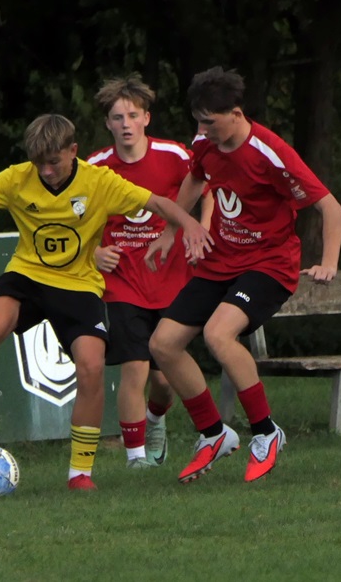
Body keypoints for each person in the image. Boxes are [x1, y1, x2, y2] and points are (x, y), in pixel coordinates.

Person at [0, 113, 212, 490]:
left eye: (54, 162)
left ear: (73, 151)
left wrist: (190, 225)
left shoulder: (99, 181)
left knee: (91, 366)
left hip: (78, 284)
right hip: (28, 276)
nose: (46, 171)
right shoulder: (17, 179)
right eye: (39, 163)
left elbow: (158, 203)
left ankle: (79, 473)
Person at [145, 66, 341, 483]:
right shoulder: (206, 143)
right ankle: (214, 433)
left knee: (218, 335)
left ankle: (267, 432)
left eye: (210, 122)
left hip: (269, 264)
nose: (202, 131)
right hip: (221, 261)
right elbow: (195, 179)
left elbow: (329, 206)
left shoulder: (270, 152)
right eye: (199, 122)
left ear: (236, 114)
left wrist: (329, 261)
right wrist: (170, 231)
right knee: (163, 344)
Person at [87, 74, 214, 469]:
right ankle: (135, 458)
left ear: (146, 118)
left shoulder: (173, 155)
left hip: (171, 278)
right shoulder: (94, 167)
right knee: (135, 366)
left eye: (132, 115)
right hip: (123, 280)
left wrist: (202, 231)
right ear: (107, 124)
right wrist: (94, 252)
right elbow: (72, 220)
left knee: (162, 380)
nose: (125, 124)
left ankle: (156, 418)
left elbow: (207, 189)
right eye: (117, 117)